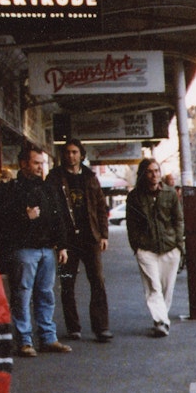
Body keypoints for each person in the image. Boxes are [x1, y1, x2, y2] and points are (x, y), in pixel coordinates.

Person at [0, 143, 71, 357]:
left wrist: (62, 245)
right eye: (36, 163)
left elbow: (59, 218)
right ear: (23, 164)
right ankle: (25, 340)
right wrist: (25, 216)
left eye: (42, 163)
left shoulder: (48, 188)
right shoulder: (11, 189)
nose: (41, 167)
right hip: (24, 249)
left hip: (46, 249)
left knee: (44, 294)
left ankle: (47, 338)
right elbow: (0, 222)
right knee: (23, 295)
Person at [48, 139, 112, 343]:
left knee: (98, 281)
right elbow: (51, 209)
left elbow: (100, 207)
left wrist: (104, 234)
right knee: (67, 283)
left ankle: (101, 327)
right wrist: (58, 242)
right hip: (67, 240)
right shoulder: (54, 177)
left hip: (90, 237)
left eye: (75, 152)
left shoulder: (90, 177)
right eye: (67, 152)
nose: (71, 156)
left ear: (81, 155)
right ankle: (73, 327)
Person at [126, 159, 183, 337]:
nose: (154, 175)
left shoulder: (170, 193)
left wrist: (179, 246)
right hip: (146, 249)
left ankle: (161, 318)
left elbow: (178, 219)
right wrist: (136, 246)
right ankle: (161, 322)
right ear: (143, 174)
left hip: (169, 247)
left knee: (167, 288)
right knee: (153, 287)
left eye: (157, 171)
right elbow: (131, 224)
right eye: (150, 171)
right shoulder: (135, 196)